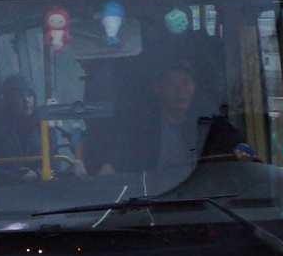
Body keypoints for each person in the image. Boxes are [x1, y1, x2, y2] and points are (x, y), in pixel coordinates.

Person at [93, 59, 256, 176]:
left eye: (185, 83)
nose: (180, 91)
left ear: (194, 86)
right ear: (158, 89)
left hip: (200, 196)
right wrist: (109, 167)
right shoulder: (142, 127)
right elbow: (121, 153)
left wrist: (242, 149)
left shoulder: (209, 121)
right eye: (172, 84)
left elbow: (236, 143)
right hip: (154, 197)